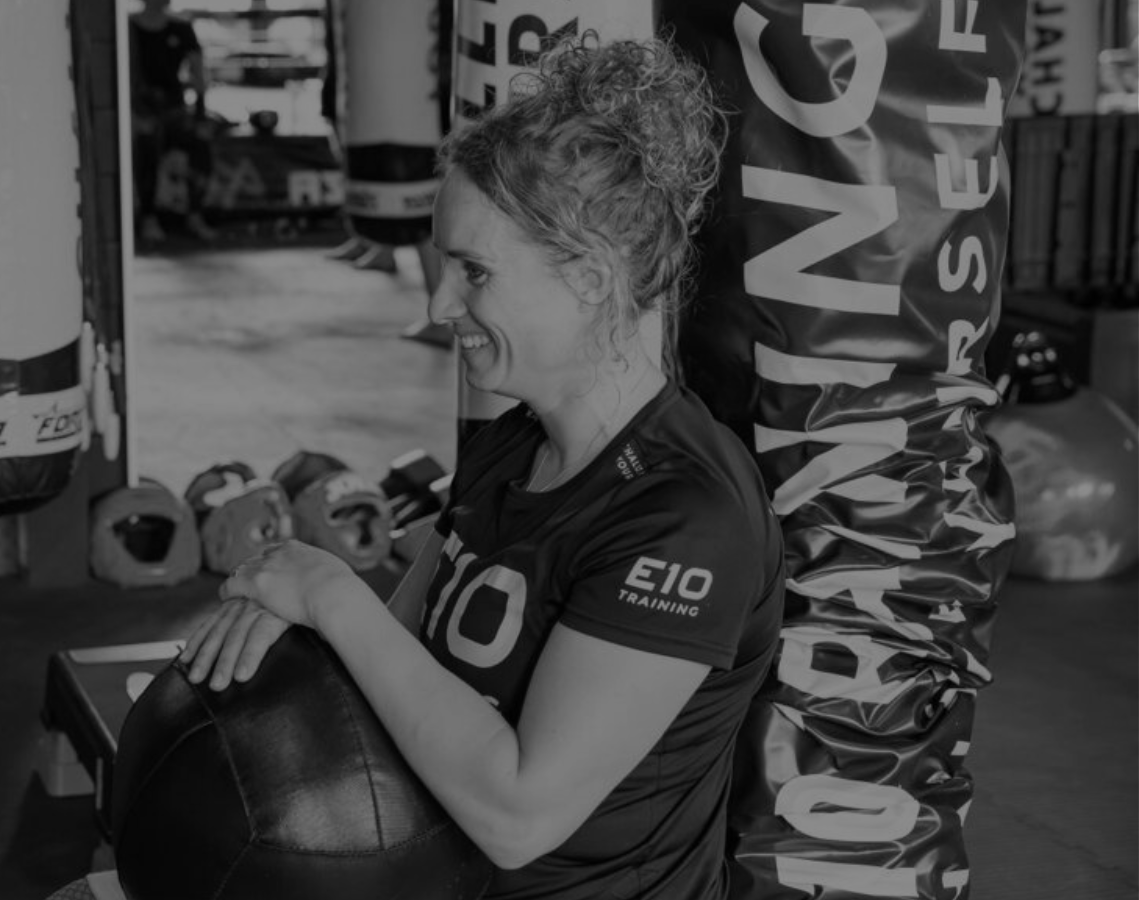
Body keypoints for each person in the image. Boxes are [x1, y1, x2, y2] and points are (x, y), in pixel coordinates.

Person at [181, 35, 785, 900]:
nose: (439, 304)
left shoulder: (687, 517)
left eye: (474, 271)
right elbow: (388, 660)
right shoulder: (510, 443)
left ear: (591, 277)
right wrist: (291, 630)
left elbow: (518, 815)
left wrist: (331, 596)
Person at [129, 0, 216, 246]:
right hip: (140, 109)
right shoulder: (129, 28)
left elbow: (198, 73)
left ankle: (195, 215)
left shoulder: (181, 28)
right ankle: (148, 217)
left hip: (175, 110)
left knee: (200, 145)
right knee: (146, 144)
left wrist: (200, 115)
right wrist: (135, 114)